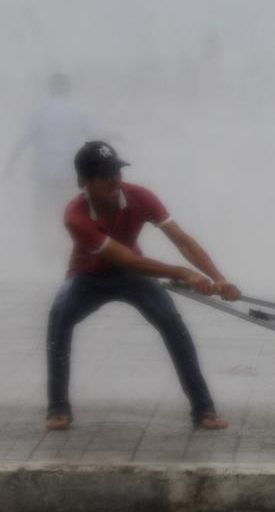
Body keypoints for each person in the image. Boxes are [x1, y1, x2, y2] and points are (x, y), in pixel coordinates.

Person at [45, 141, 240, 431]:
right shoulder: (76, 216)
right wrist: (185, 274)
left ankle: (203, 409)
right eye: (104, 174)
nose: (114, 179)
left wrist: (218, 278)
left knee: (172, 323)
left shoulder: (141, 197)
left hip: (133, 277)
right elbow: (127, 259)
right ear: (84, 182)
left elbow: (182, 241)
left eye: (116, 171)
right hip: (88, 277)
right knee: (59, 318)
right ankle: (58, 407)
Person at [3, 73, 102, 258]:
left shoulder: (40, 111)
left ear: (50, 88)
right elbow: (96, 138)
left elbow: (23, 140)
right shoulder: (79, 110)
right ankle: (71, 255)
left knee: (43, 218)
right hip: (72, 176)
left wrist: (10, 165)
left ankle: (45, 258)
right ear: (68, 88)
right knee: (73, 215)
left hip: (45, 177)